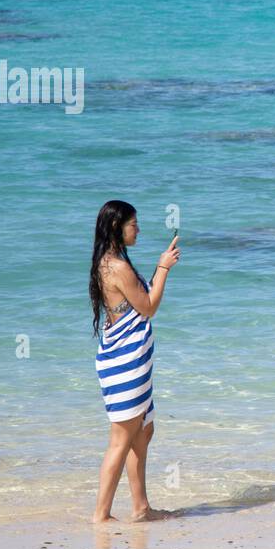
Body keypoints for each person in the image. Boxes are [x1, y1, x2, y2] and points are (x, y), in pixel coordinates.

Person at [88, 199, 180, 523]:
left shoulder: (107, 261)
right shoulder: (117, 267)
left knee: (143, 431)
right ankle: (101, 515)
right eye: (133, 224)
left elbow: (134, 306)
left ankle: (141, 507)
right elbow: (149, 306)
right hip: (126, 363)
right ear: (117, 227)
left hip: (129, 360)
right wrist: (164, 267)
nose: (138, 229)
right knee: (121, 440)